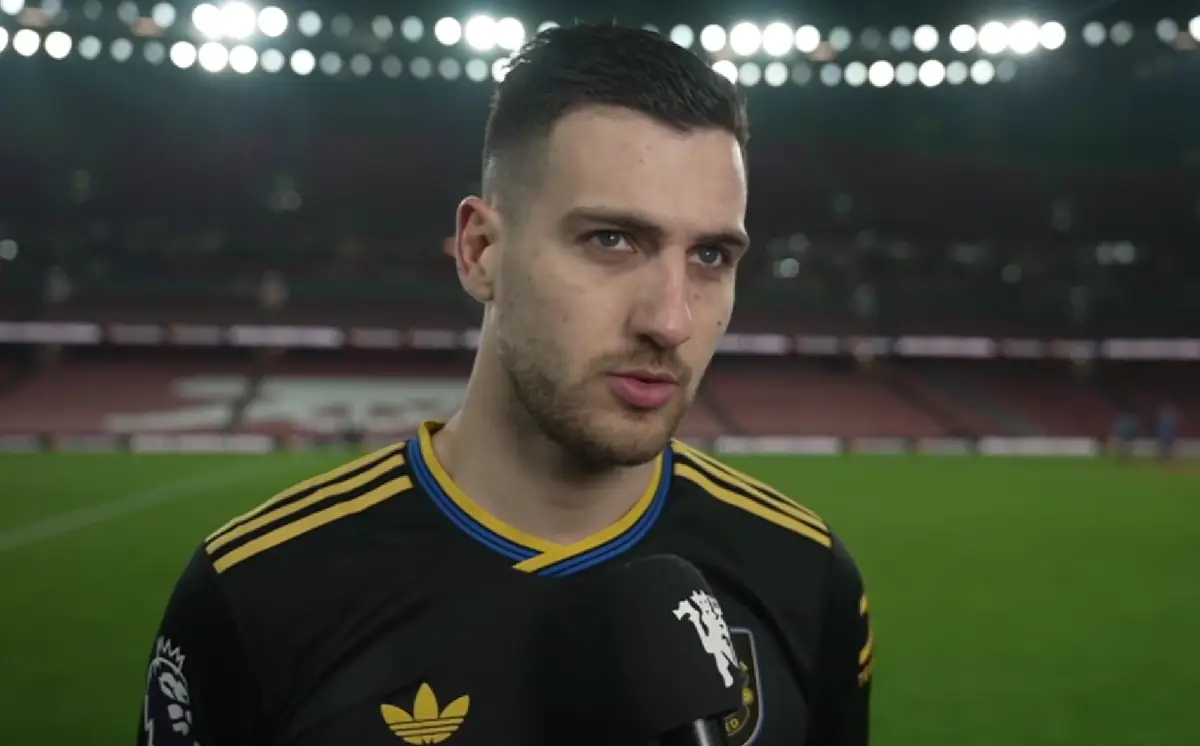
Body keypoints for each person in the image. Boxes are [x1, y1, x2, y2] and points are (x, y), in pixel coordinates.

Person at [137, 23, 873, 746]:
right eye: (612, 240)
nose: (671, 320)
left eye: (711, 256)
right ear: (480, 250)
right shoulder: (255, 593)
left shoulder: (808, 578)